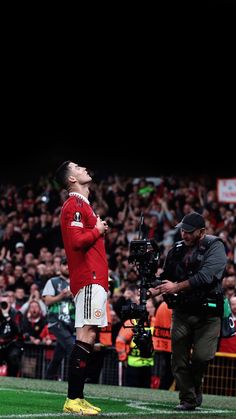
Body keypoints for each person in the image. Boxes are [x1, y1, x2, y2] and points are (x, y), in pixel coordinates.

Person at [149, 211, 227, 411]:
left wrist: (176, 287)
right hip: (182, 312)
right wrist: (153, 290)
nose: (184, 234)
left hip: (208, 314)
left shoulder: (215, 246)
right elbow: (166, 276)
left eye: (189, 231)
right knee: (178, 358)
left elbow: (206, 276)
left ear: (202, 232)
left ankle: (194, 386)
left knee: (202, 357)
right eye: (183, 230)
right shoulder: (176, 249)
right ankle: (188, 399)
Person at [55, 161, 109, 415]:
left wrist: (97, 230)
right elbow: (77, 242)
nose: (84, 167)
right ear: (71, 180)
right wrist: (97, 230)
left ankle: (77, 397)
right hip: (89, 277)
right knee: (86, 335)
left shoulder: (82, 205)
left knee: (87, 337)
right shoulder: (74, 204)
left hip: (92, 278)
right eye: (77, 167)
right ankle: (73, 399)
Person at [42, 257, 75, 380]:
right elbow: (47, 300)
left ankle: (49, 376)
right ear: (60, 267)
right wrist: (61, 295)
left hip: (70, 322)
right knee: (72, 347)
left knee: (59, 354)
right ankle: (75, 378)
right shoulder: (53, 281)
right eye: (64, 264)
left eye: (69, 264)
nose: (67, 267)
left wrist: (74, 297)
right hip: (56, 321)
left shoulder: (76, 282)